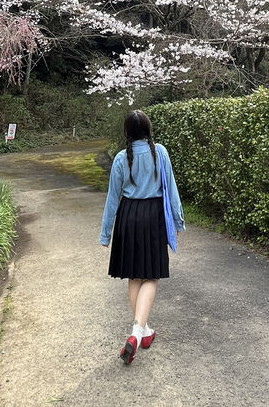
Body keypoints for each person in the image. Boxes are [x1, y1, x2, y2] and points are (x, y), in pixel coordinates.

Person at [99, 109, 185, 365]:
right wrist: (179, 220)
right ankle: (137, 331)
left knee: (135, 275)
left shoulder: (119, 159)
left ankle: (143, 331)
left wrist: (105, 234)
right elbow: (171, 188)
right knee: (151, 275)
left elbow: (112, 199)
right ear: (148, 129)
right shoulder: (160, 152)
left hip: (128, 217)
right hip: (153, 216)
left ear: (127, 132)